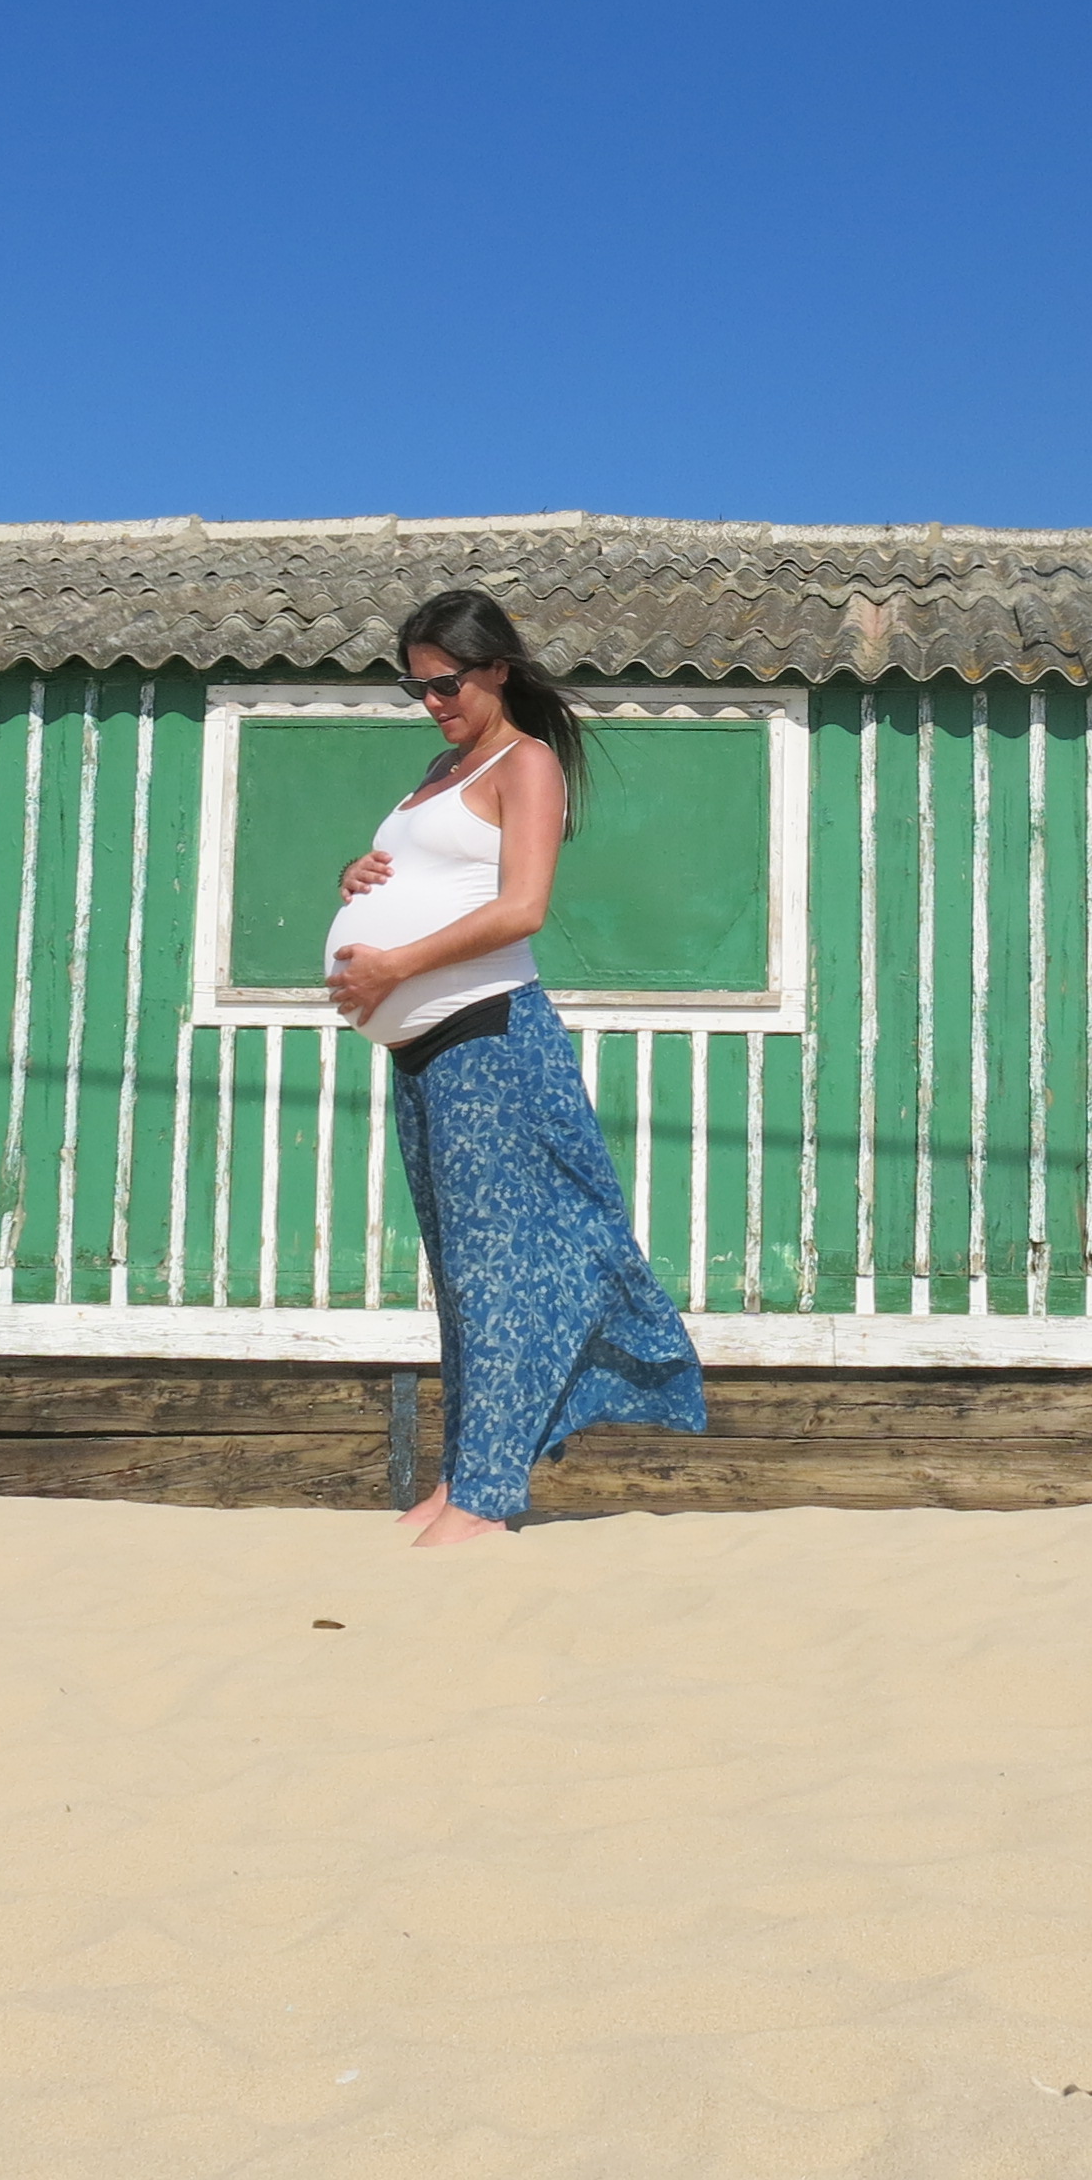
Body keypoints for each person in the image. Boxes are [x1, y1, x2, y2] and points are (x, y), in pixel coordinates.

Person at [327, 589, 706, 1543]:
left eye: (447, 683)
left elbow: (521, 907)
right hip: (425, 1054)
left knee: (501, 1272)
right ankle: (461, 1478)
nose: (433, 702)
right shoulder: (441, 769)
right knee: (460, 1275)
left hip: (491, 1042)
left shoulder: (525, 762)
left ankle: (489, 1498)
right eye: (417, 687)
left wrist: (394, 965)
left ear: (497, 669)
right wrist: (356, 878)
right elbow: (428, 874)